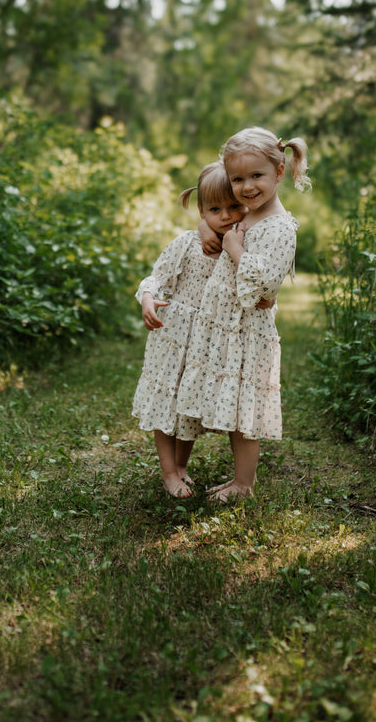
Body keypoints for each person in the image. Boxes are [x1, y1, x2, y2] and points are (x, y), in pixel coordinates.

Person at [177, 126, 311, 502]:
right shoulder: (246, 213)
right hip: (224, 329)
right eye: (238, 179)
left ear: (279, 173)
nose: (247, 187)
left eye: (257, 176)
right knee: (234, 405)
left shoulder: (280, 228)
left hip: (248, 332)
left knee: (245, 412)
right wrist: (205, 223)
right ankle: (237, 480)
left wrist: (235, 251)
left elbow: (265, 288)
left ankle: (244, 485)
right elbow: (213, 204)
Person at [132, 162, 248, 498]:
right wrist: (149, 299)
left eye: (233, 207)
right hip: (173, 339)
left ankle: (181, 467)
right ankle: (169, 473)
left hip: (207, 345)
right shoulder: (185, 243)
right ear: (201, 210)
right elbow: (157, 277)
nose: (225, 216)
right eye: (214, 210)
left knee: (189, 407)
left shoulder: (242, 248)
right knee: (166, 402)